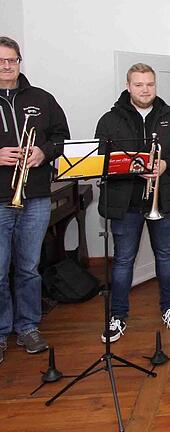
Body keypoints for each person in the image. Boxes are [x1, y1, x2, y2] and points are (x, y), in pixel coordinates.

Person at [95, 63, 170, 343]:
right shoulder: (109, 120)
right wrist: (134, 166)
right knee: (123, 260)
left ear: (155, 86)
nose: (145, 89)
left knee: (166, 256)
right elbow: (101, 159)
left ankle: (169, 308)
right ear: (128, 86)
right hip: (125, 204)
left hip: (163, 200)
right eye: (138, 84)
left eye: (149, 84)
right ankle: (118, 316)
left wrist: (165, 163)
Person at [0, 36, 70, 364]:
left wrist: (44, 152)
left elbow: (61, 136)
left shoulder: (41, 98)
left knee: (29, 267)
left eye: (12, 60)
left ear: (19, 61)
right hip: (0, 198)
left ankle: (28, 326)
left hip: (37, 196)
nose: (6, 66)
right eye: (1, 60)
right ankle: (1, 331)